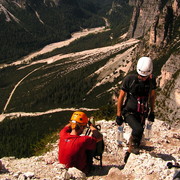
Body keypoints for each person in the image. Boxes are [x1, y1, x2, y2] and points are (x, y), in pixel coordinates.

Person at [116, 57, 156, 157]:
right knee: (138, 129)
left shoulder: (151, 81)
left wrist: (152, 112)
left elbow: (152, 96)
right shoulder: (130, 79)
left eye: (144, 76)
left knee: (138, 132)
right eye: (140, 76)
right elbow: (121, 96)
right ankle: (130, 151)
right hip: (129, 111)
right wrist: (119, 115)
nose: (141, 78)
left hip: (142, 112)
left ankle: (133, 147)